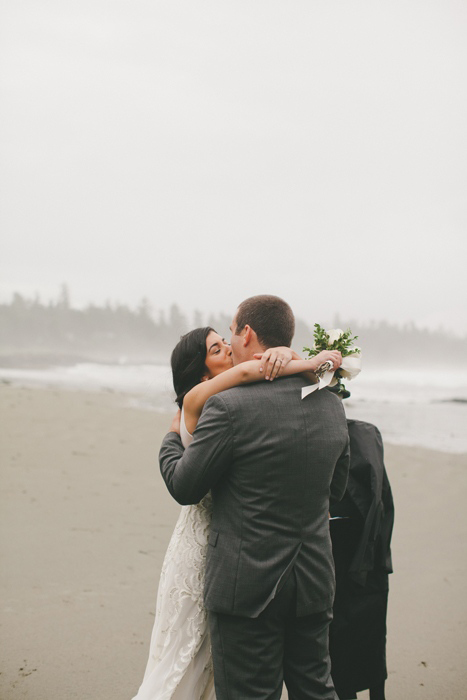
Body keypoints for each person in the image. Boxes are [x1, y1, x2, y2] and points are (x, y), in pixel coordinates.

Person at [132, 317, 342, 700]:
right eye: (216, 349)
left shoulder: (232, 403)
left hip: (241, 566)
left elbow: (251, 374)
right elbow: (336, 490)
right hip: (251, 558)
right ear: (199, 370)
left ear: (245, 333)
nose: (228, 348)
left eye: (227, 341)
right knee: (188, 656)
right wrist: (306, 363)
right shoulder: (205, 399)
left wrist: (286, 357)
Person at [329, 416, 394, 700]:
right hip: (370, 547)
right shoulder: (366, 433)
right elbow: (384, 499)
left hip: (345, 547)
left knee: (342, 639)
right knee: (367, 636)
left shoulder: (362, 434)